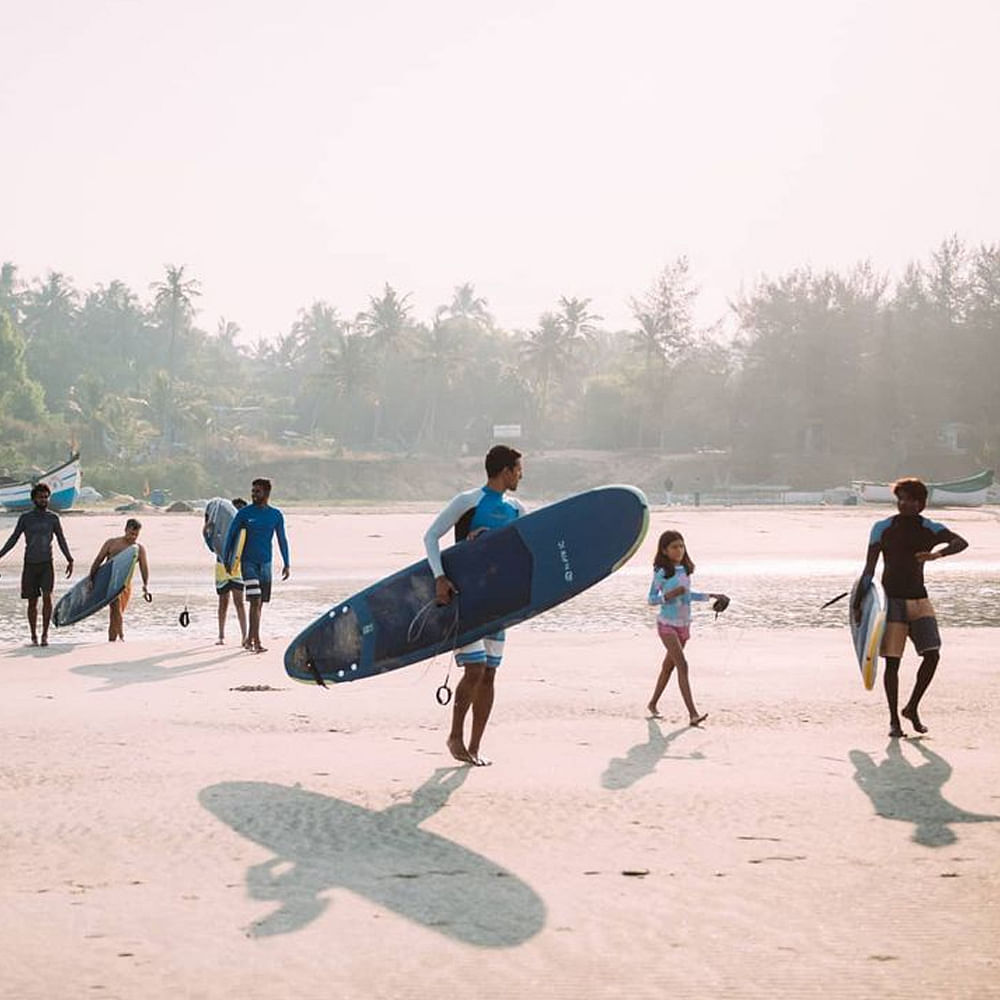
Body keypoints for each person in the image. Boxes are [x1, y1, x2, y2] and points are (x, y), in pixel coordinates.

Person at [424, 444, 525, 766]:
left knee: (490, 674)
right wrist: (440, 577)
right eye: (519, 469)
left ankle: (475, 746)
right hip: (466, 600)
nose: (521, 475)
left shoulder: (517, 508)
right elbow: (431, 537)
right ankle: (455, 735)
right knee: (475, 667)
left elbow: (530, 546)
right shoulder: (467, 502)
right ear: (506, 470)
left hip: (500, 604)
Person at [853, 477, 968, 738]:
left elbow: (961, 542)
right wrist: (859, 603)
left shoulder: (930, 528)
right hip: (890, 602)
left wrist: (937, 554)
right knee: (892, 663)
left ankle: (912, 707)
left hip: (919, 599)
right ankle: (894, 720)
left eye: (911, 500)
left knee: (932, 654)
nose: (905, 504)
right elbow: (869, 570)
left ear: (921, 503)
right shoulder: (882, 528)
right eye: (901, 499)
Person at [646, 529, 727, 725]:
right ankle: (693, 714)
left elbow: (689, 595)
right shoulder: (662, 572)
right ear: (664, 550)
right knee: (682, 665)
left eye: (681, 546)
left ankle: (652, 703)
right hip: (667, 626)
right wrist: (670, 595)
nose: (679, 550)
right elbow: (651, 600)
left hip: (684, 626)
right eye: (674, 547)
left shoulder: (685, 570)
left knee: (668, 667)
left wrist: (712, 596)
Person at [0, 483, 74, 646]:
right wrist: (1, 554)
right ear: (33, 499)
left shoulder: (53, 518)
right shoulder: (26, 518)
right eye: (40, 497)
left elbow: (61, 539)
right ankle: (33, 635)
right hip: (30, 565)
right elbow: (14, 538)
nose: (44, 500)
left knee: (47, 597)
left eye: (46, 497)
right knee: (32, 601)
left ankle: (45, 635)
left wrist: (69, 558)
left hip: (46, 564)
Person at [222, 478, 290, 654]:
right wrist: (227, 559)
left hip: (266, 563)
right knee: (255, 600)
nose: (253, 494)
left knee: (259, 604)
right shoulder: (244, 513)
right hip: (248, 563)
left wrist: (286, 562)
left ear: (266, 493)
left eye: (257, 491)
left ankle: (248, 640)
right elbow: (231, 536)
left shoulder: (275, 515)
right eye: (252, 491)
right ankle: (256, 641)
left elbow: (282, 539)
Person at [90, 518, 150, 642]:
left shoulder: (138, 549)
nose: (133, 537)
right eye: (131, 533)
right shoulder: (112, 543)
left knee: (116, 613)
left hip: (125, 584)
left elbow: (144, 567)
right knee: (115, 607)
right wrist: (91, 579)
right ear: (125, 529)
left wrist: (145, 585)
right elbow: (98, 560)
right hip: (110, 582)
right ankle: (121, 636)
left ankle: (112, 640)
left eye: (136, 535)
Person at [204, 497, 248, 646]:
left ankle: (244, 636)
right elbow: (211, 546)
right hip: (221, 567)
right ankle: (221, 636)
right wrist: (206, 529)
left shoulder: (243, 530)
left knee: (239, 602)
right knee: (223, 602)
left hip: (237, 567)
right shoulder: (220, 532)